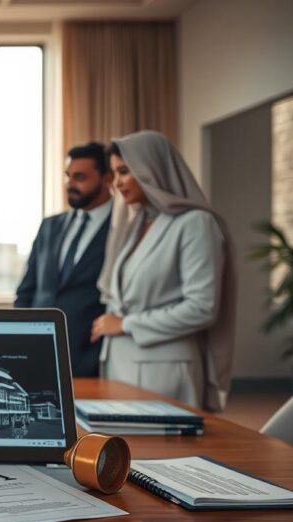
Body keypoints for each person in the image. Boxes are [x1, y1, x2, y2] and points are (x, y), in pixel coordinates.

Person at [91, 130, 236, 411]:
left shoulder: (196, 224)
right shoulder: (136, 225)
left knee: (162, 454)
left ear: (151, 169)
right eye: (113, 173)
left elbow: (202, 307)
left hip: (164, 371)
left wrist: (126, 324)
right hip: (121, 366)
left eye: (124, 171)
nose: (116, 183)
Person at [15, 142, 113, 377]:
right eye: (68, 176)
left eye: (80, 177)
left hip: (92, 360)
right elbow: (26, 291)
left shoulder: (122, 229)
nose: (71, 184)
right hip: (39, 355)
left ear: (107, 178)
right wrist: (20, 340)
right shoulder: (50, 226)